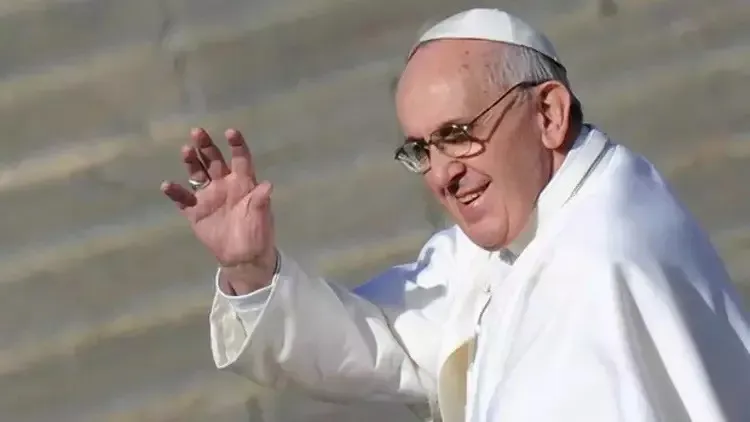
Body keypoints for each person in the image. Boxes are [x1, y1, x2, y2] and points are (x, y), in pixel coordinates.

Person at [160, 8, 750, 422]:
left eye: (459, 134)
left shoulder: (596, 267)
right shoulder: (532, 224)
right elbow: (390, 340)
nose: (443, 174)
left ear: (548, 114)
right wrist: (252, 271)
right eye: (423, 149)